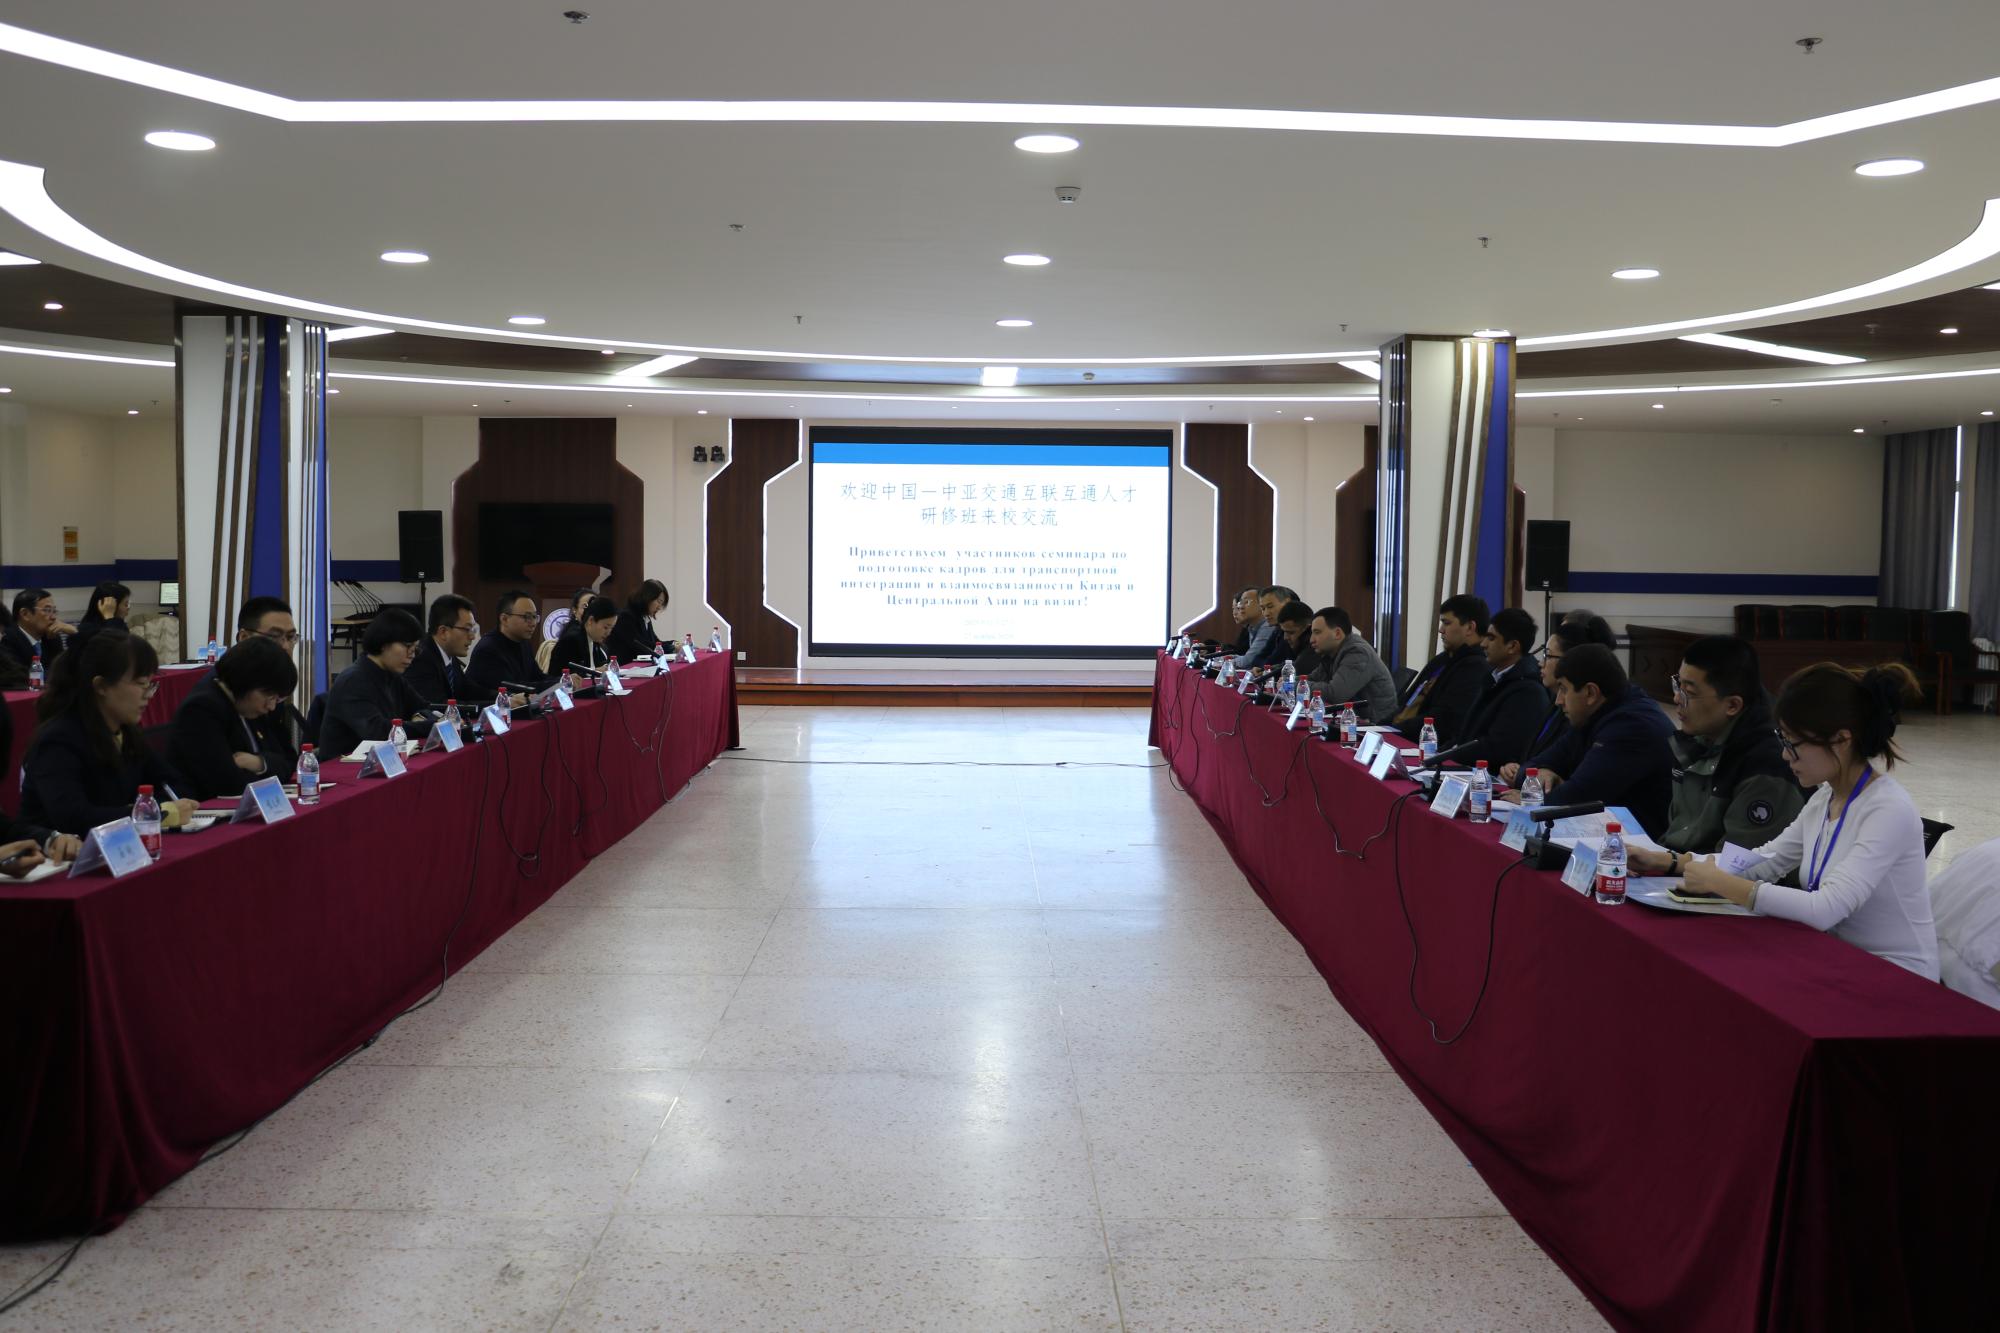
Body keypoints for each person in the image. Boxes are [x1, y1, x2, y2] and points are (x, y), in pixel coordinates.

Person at [1665, 663, 1937, 981]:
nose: (1784, 756)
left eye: (1792, 744)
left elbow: (1824, 909)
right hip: (1839, 957)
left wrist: (1722, 883)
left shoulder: (1888, 810)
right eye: (1782, 740)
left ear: (1840, 740)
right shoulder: (1826, 798)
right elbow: (1765, 861)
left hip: (1898, 975)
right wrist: (1673, 861)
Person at [1628, 636, 1804, 868]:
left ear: (1732, 705)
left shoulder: (1767, 764)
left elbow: (1742, 865)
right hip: (1682, 868)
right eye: (1678, 685)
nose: (1677, 698)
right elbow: (1679, 833)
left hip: (1720, 882)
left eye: (1689, 693)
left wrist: (1668, 864)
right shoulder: (1697, 739)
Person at [19, 631, 197, 834]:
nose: (148, 695)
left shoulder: (127, 733)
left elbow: (175, 785)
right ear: (101, 686)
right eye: (141, 684)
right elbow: (73, 817)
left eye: (151, 684)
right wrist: (153, 813)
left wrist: (154, 807)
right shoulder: (58, 740)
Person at [1512, 642, 1675, 836]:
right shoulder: (1593, 714)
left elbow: (1576, 798)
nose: (1558, 700)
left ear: (1590, 693)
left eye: (1564, 689)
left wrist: (1532, 799)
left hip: (1636, 846)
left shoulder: (1632, 727)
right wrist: (1542, 773)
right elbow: (1526, 770)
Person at [167, 635, 302, 798]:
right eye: (269, 696)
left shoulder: (250, 704)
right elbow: (229, 785)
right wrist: (269, 771)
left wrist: (259, 763)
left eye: (276, 699)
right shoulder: (201, 709)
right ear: (245, 681)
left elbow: (289, 762)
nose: (272, 706)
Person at [1499, 613, 1615, 788]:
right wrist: (1519, 769)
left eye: (1547, 655)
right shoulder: (1555, 702)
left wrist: (1526, 774)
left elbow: (1575, 783)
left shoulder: (1581, 714)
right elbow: (1535, 761)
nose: (1540, 663)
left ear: (1570, 659)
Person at [319, 609, 435, 759]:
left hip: (380, 761)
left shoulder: (393, 676)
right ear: (383, 644)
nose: (412, 655)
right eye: (407, 646)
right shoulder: (354, 680)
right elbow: (378, 732)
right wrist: (431, 726)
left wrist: (420, 716)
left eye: (415, 649)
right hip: (344, 766)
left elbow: (423, 707)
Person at [1457, 607, 1549, 770]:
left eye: (1491, 638)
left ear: (1512, 646)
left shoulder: (1528, 692)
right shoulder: (1494, 678)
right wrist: (1441, 753)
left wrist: (1452, 754)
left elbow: (1499, 749)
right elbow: (1468, 734)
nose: (1483, 644)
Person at [1393, 594, 1490, 745]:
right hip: (1400, 733)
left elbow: (1444, 720)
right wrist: (1379, 726)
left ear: (1470, 627)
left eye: (1447, 623)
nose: (1440, 630)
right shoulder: (1442, 660)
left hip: (1422, 744)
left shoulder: (1475, 668)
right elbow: (1406, 703)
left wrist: (1393, 730)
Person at [1303, 606, 1398, 722]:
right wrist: (1290, 682)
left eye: (1317, 633)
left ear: (1337, 633)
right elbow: (1312, 678)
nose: (1311, 640)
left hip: (1375, 725)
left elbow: (1335, 694)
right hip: (1352, 719)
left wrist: (1298, 686)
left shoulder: (1358, 653)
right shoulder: (1332, 652)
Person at [467, 590, 555, 699]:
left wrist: (564, 680)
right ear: (504, 619)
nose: (533, 623)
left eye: (534, 617)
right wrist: (556, 684)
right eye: (527, 617)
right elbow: (513, 688)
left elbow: (537, 677)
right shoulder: (488, 649)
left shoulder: (523, 643)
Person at [403, 594, 478, 707]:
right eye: (467, 629)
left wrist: (502, 698)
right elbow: (439, 706)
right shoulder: (421, 658)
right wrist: (493, 705)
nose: (472, 636)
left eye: (473, 629)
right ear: (443, 632)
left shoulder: (449, 653)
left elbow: (467, 689)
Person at [1, 588, 75, 674]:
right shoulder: (7, 640)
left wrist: (74, 633)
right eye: (47, 610)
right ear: (25, 614)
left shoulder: (52, 637)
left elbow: (67, 671)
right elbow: (19, 675)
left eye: (54, 611)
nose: (53, 617)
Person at [606, 579, 671, 663]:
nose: (659, 607)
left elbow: (656, 643)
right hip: (624, 666)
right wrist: (672, 647)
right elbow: (642, 647)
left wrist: (673, 643)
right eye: (659, 601)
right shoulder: (626, 617)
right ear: (647, 597)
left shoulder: (645, 617)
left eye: (662, 604)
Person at [551, 596, 619, 675]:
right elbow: (557, 675)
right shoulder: (570, 641)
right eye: (606, 627)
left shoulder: (596, 642)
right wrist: (594, 671)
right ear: (591, 620)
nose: (608, 633)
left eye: (611, 628)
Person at [537, 586, 599, 674]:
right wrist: (596, 671)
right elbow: (561, 673)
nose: (590, 611)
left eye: (594, 607)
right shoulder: (572, 638)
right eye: (585, 606)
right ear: (574, 610)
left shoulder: (596, 635)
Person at [1238, 585, 1299, 669]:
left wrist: (1263, 669)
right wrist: (1260, 668)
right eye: (1263, 608)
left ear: (1287, 603)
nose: (1266, 613)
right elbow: (1258, 659)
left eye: (1270, 607)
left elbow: (1276, 659)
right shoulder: (1278, 629)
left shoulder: (1296, 628)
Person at [73, 581, 131, 650]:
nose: (128, 607)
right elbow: (116, 648)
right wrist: (109, 617)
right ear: (111, 606)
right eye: (126, 604)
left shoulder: (119, 624)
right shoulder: (88, 630)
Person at [1277, 600, 1318, 676]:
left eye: (1291, 632)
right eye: (1284, 632)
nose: (1285, 637)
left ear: (1308, 630)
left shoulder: (1309, 657)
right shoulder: (1296, 649)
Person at [1226, 587, 1263, 654]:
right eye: (1233, 609)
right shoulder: (1250, 628)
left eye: (1246, 602)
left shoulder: (1268, 627)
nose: (1241, 607)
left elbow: (1251, 657)